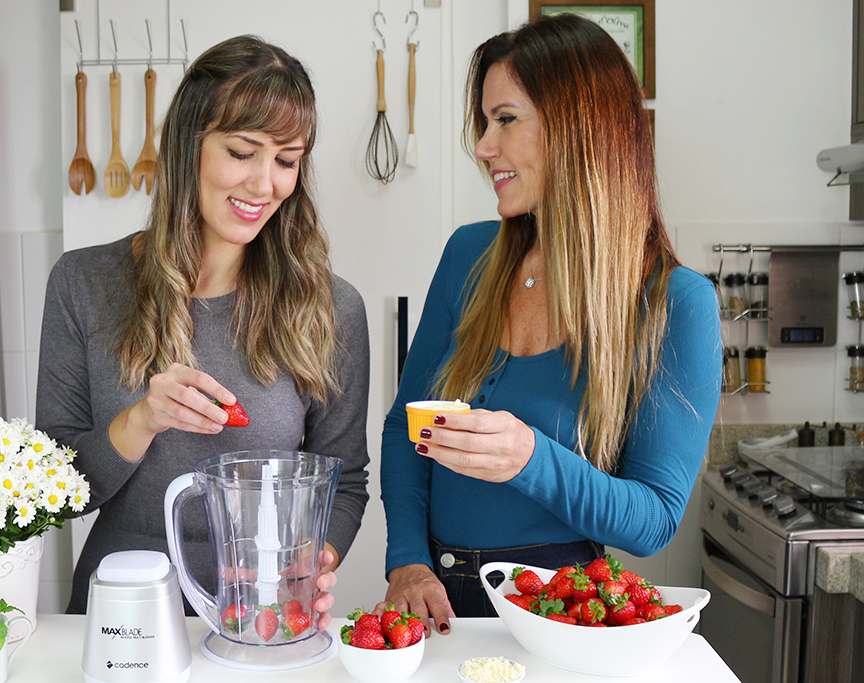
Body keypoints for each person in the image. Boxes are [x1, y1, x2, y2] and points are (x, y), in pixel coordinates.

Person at [378, 13, 721, 635]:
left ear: (578, 129)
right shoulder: (467, 257)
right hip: (438, 606)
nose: (484, 146)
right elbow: (408, 427)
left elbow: (654, 519)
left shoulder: (678, 303)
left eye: (505, 119)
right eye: (484, 122)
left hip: (563, 615)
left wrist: (529, 456)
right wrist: (406, 562)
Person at [36, 35, 370, 625]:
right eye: (242, 152)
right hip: (121, 615)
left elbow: (342, 482)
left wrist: (311, 562)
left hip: (262, 619)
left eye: (286, 160)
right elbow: (59, 492)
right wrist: (141, 419)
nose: (265, 184)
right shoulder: (83, 282)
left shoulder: (331, 308)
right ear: (187, 144)